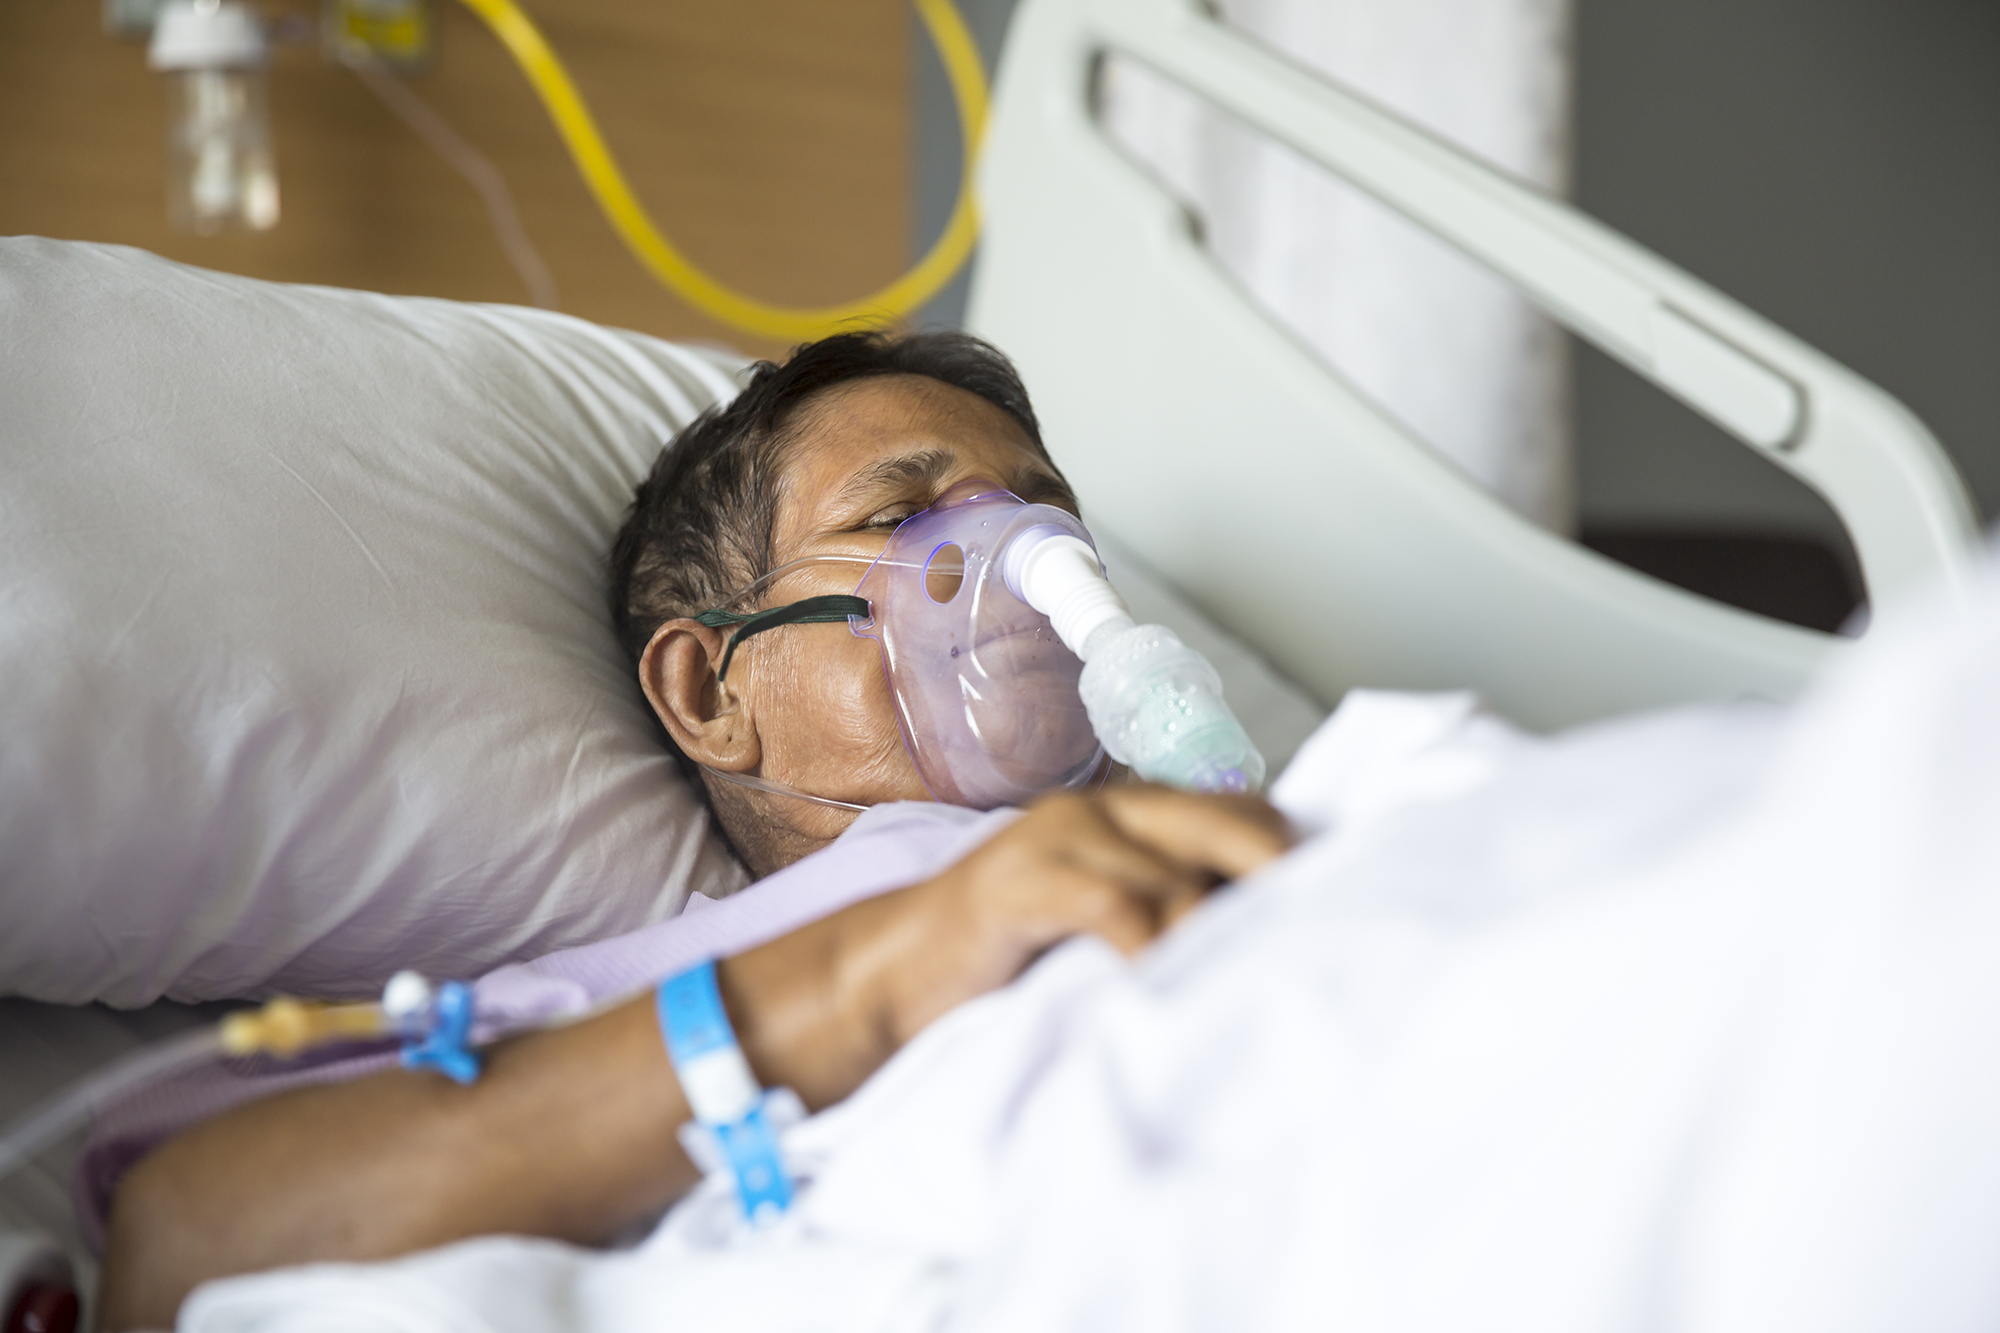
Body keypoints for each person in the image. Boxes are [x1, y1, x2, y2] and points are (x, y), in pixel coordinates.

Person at [96, 333, 1291, 1329]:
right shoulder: (709, 975)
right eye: (900, 514)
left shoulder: (1236, 807)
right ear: (712, 694)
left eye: (1039, 509)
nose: (1021, 558)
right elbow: (186, 1233)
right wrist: (874, 972)